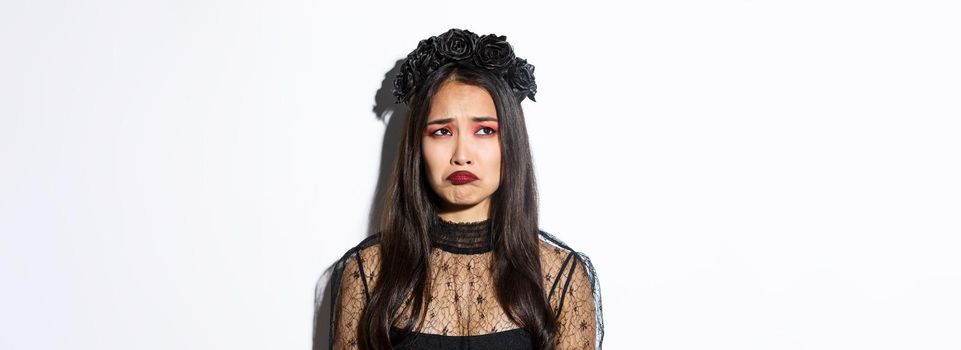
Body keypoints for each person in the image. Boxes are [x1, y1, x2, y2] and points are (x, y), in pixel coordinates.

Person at [328, 28, 603, 350]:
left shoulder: (559, 276)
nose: (461, 155)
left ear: (510, 143)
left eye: (485, 130)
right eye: (442, 131)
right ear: (418, 146)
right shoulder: (370, 272)